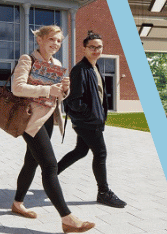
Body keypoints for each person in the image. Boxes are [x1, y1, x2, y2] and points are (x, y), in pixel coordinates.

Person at [10, 25, 94, 233]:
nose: (56, 44)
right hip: (30, 120)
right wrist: (49, 89)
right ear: (40, 39)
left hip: (47, 119)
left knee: (31, 161)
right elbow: (17, 88)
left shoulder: (56, 64)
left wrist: (64, 90)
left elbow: (57, 96)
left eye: (59, 41)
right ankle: (67, 219)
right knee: (50, 166)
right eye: (51, 39)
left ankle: (17, 204)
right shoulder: (27, 60)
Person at [59, 32, 127, 208]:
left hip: (90, 121)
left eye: (99, 47)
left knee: (80, 151)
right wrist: (91, 115)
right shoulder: (80, 70)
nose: (96, 50)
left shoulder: (94, 67)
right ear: (84, 48)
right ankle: (103, 193)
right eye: (92, 47)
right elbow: (74, 100)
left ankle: (51, 173)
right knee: (101, 153)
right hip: (88, 122)